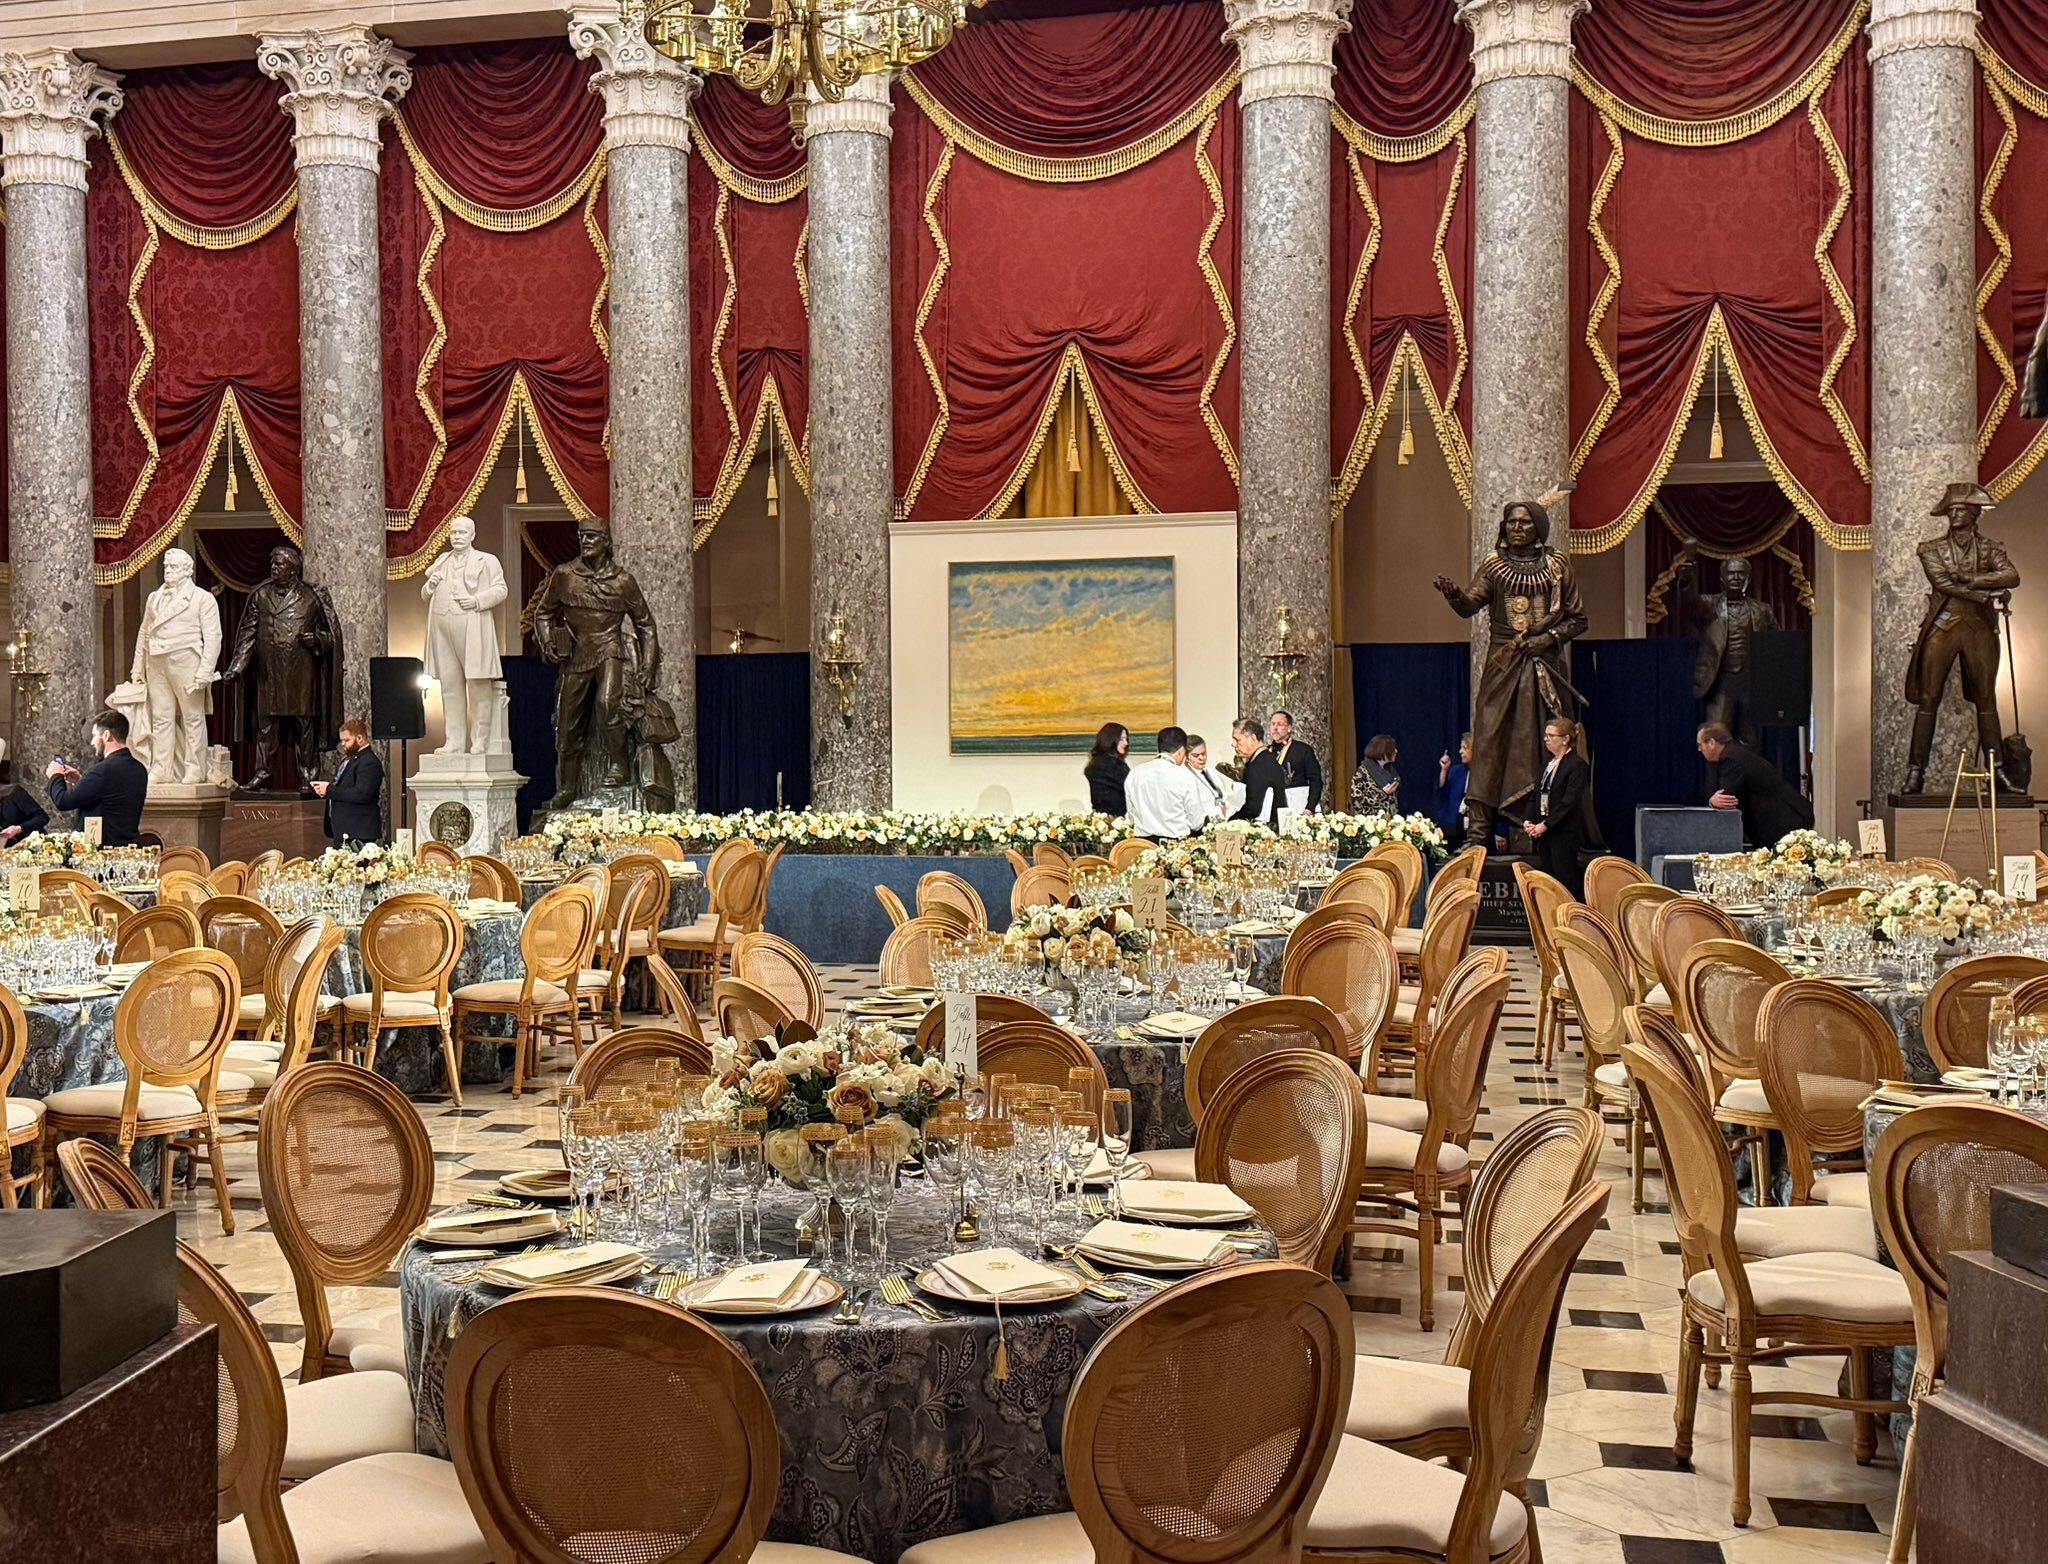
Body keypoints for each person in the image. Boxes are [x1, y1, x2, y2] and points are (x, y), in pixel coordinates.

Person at [1435, 495, 1588, 847]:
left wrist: (1547, 638)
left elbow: (1578, 619)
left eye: (1525, 522)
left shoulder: (1557, 565)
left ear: (1539, 528)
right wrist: (1455, 595)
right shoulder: (1494, 565)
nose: (1517, 528)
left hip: (1543, 667)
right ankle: (1479, 833)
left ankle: (1534, 833)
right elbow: (1470, 604)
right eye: (1512, 522)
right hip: (1502, 663)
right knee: (1488, 740)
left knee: (1539, 744)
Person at [1900, 483, 2021, 794]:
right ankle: (1916, 772)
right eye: (1951, 510)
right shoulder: (1931, 548)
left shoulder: (1992, 548)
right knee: (1928, 699)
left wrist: (1973, 578)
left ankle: (1997, 771)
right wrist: (1985, 594)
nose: (1954, 514)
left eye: (1960, 509)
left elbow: (2012, 576)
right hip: (1943, 624)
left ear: (1974, 513)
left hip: (1979, 628)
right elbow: (1941, 582)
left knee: (1986, 699)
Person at [221, 544, 345, 791]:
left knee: (304, 727)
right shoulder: (261, 595)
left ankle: (308, 776)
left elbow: (332, 637)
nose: (273, 568)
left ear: (293, 569)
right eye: (273, 563)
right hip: (269, 674)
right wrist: (237, 667)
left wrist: (316, 640)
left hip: (301, 673)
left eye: (279, 564)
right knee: (267, 727)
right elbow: (248, 634)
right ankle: (263, 774)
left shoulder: (312, 597)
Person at [130, 546, 222, 784]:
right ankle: (162, 768)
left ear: (187, 571)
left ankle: (195, 768)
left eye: (174, 567)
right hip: (156, 662)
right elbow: (144, 632)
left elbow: (213, 637)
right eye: (166, 567)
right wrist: (137, 667)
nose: (168, 571)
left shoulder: (202, 598)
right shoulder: (154, 597)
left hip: (186, 660)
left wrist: (205, 672)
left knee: (192, 717)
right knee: (161, 717)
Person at [420, 515, 509, 755]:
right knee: (450, 685)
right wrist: (430, 586)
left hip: (472, 625)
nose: (457, 537)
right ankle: (454, 741)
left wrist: (477, 600)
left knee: (478, 683)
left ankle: (480, 740)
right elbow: (425, 593)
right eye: (454, 532)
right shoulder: (442, 560)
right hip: (442, 626)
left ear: (472, 535)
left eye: (462, 533)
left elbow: (501, 589)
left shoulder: (487, 561)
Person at [1673, 549, 1778, 749]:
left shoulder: (1763, 611)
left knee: (1751, 742)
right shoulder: (1709, 605)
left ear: (1749, 578)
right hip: (1720, 684)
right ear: (1722, 577)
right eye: (1731, 573)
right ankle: (1717, 781)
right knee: (1715, 741)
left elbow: (1777, 647)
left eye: (1741, 573)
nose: (1736, 577)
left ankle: (1749, 780)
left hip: (1751, 685)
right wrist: (1688, 581)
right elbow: (1691, 604)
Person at [1698, 721, 1813, 848]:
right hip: (1790, 816)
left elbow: (1727, 800)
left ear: (1712, 743)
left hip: (1783, 823)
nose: (1699, 749)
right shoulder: (1736, 752)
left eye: (1700, 744)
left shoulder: (1731, 760)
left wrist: (1712, 801)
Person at [46, 711, 149, 847]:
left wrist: (55, 775)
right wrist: (81, 781)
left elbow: (63, 801)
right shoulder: (139, 768)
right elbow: (112, 797)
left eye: (95, 736)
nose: (92, 742)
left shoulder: (103, 770)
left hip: (104, 854)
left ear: (107, 735)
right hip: (129, 848)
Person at [1524, 717, 1590, 897]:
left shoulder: (1577, 765)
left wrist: (1545, 825)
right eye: (1546, 736)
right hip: (1544, 834)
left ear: (1565, 739)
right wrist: (1529, 821)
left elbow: (1569, 803)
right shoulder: (1547, 764)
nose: (1546, 740)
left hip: (1563, 834)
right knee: (1547, 880)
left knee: (1564, 880)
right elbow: (1536, 795)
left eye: (1550, 736)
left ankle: (1569, 918)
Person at [1123, 725, 1209, 840]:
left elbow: (1131, 816)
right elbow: (1196, 822)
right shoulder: (1184, 775)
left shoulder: (1135, 772)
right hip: (1175, 849)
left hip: (1142, 846)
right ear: (1181, 751)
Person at [312, 717, 386, 846]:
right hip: (346, 830)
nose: (343, 744)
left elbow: (362, 794)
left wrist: (329, 789)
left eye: (347, 740)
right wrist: (324, 790)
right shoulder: (351, 759)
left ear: (360, 738)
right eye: (342, 741)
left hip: (359, 831)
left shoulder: (369, 762)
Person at [1230, 717, 1287, 826]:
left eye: (1237, 740)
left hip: (1267, 830)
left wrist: (1229, 822)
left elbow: (1253, 809)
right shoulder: (1267, 759)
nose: (1233, 744)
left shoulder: (1259, 765)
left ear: (1252, 739)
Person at [1267, 709, 1324, 812]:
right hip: (1270, 808)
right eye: (1273, 724)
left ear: (1289, 728)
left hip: (1297, 806)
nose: (1275, 728)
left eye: (1280, 724)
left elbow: (1315, 781)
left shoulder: (1303, 750)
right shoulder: (1266, 752)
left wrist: (1310, 808)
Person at [0, 753, 49, 845]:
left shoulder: (13, 792)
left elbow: (42, 817)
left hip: (32, 846)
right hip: (7, 853)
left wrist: (19, 828)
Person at [1083, 723, 1130, 817]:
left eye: (1126, 739)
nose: (1126, 743)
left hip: (1101, 818)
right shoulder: (1114, 766)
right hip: (1116, 819)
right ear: (1110, 740)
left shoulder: (1095, 763)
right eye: (1121, 739)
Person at [1350, 734, 1402, 812]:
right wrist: (1383, 794)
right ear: (1383, 751)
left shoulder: (1391, 770)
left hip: (1389, 818)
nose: (1396, 751)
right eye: (1392, 749)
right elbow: (1356, 801)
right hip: (1370, 820)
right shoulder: (1362, 773)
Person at [1185, 735, 1230, 821]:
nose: (1202, 758)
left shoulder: (1209, 771)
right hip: (1203, 822)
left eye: (1204, 754)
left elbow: (1221, 794)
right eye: (1196, 755)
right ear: (1186, 757)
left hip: (1222, 817)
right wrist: (1218, 810)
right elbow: (1193, 809)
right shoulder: (1187, 776)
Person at [1437, 732, 1472, 837]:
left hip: (1478, 829)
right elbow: (1443, 793)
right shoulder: (1456, 771)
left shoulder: (1484, 773)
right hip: (1456, 828)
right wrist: (1444, 771)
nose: (1460, 751)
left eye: (1464, 748)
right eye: (1461, 748)